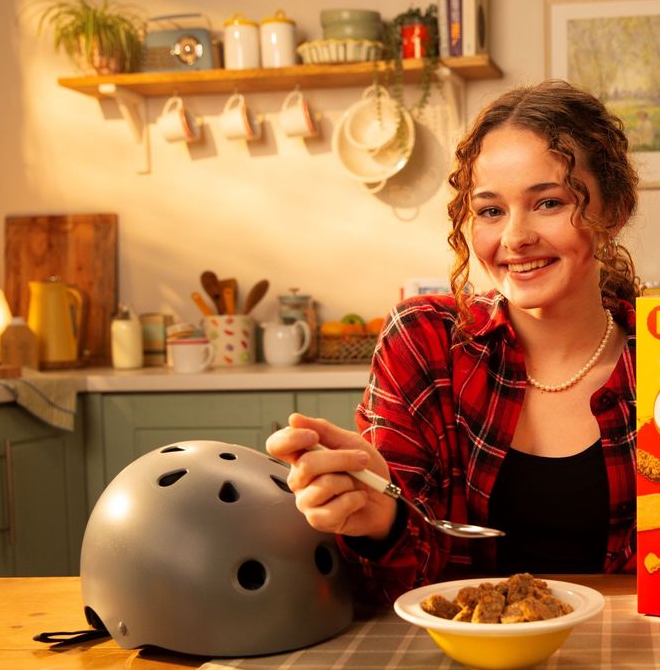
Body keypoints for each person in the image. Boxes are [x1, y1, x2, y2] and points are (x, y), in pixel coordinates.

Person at [266, 80, 641, 601]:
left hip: (641, 652)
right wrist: (382, 517)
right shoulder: (425, 342)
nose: (514, 237)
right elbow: (399, 579)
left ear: (613, 212)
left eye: (549, 202)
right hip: (464, 659)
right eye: (490, 211)